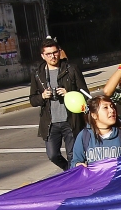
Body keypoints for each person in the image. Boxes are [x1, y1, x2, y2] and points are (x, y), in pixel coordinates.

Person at [30, 38, 88, 171]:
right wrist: (43, 96)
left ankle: (75, 179)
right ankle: (69, 171)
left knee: (73, 155)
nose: (53, 56)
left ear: (59, 52)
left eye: (55, 52)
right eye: (48, 54)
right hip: (51, 123)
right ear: (43, 56)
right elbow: (32, 99)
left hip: (71, 120)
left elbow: (85, 94)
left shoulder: (71, 69)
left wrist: (69, 93)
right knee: (52, 155)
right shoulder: (38, 74)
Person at [72, 96, 121, 165]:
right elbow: (75, 161)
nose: (111, 110)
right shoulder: (84, 135)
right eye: (105, 107)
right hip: (96, 182)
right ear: (94, 115)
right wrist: (77, 165)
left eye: (112, 106)